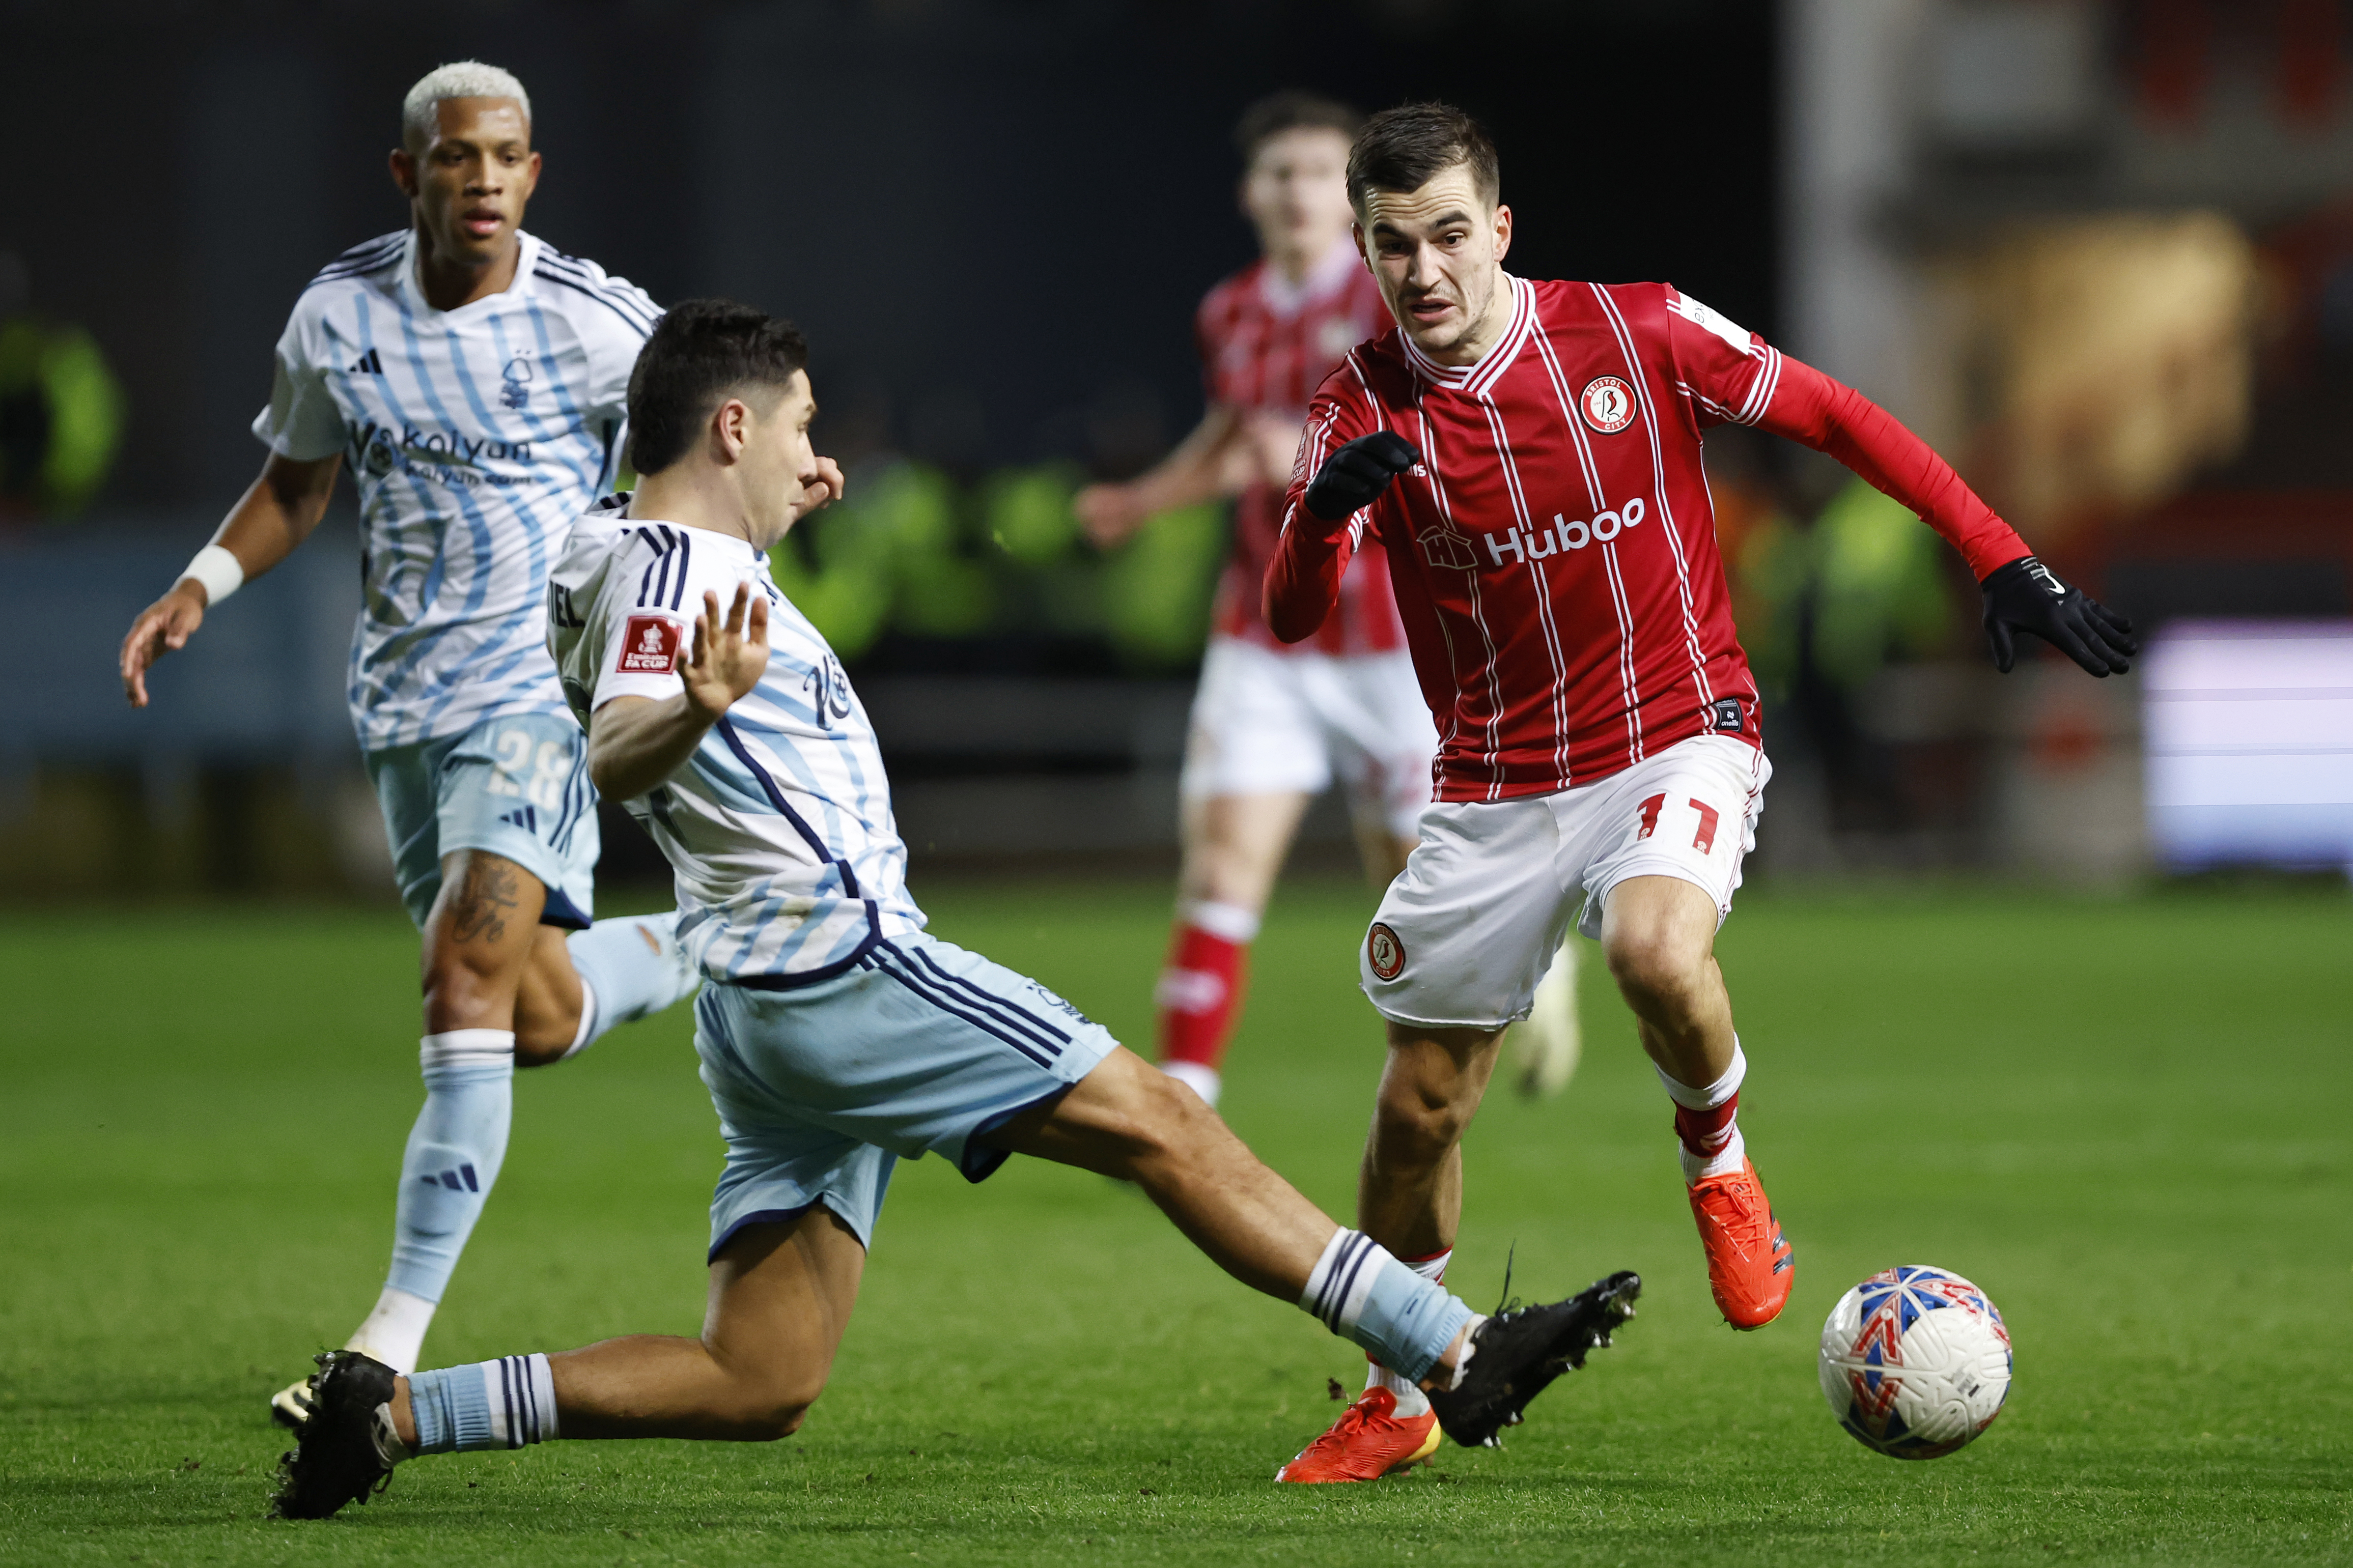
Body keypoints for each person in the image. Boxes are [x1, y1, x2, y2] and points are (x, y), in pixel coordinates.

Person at [268, 298, 1642, 1520]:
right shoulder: (672, 579)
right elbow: (623, 731)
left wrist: (765, 509)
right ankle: (1452, 1352)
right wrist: (683, 704)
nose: (821, 452)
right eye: (796, 425)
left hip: (761, 1010)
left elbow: (654, 590)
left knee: (760, 1375)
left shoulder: (628, 550)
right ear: (729, 423)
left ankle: (388, 1415)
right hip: (841, 967)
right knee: (1165, 1123)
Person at [1266, 103, 2136, 1483]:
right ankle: (1398, 1388)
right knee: (1419, 1103)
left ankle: (1717, 1158)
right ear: (1365, 255)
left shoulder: (1638, 330)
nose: (1421, 272)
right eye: (1390, 248)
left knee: (1654, 947)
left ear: (1497, 229)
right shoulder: (1352, 406)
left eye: (1444, 236)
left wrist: (1996, 554)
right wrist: (1318, 520)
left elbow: (1833, 414)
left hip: (1677, 730)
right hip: (1492, 780)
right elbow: (1292, 611)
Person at [115, 62, 699, 1425]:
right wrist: (199, 583)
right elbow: (298, 482)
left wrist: (766, 483)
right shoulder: (337, 316)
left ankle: (380, 1351)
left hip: (535, 703)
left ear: (533, 175)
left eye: (506, 158)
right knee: (533, 1013)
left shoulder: (595, 325)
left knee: (462, 976)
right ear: (409, 175)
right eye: (455, 160)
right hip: (402, 712)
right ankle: (718, 939)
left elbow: (712, 411)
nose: (483, 180)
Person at [1076, 92, 1582, 1118]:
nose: (1299, 191)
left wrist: (1303, 457)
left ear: (1349, 196)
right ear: (1251, 192)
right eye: (1282, 173)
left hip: (1397, 638)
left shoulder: (1400, 291)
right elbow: (1234, 433)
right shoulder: (1230, 309)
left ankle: (1540, 976)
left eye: (1318, 172)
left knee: (1416, 883)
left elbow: (1441, 422)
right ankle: (1185, 1107)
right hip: (1268, 630)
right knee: (1220, 864)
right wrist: (1149, 496)